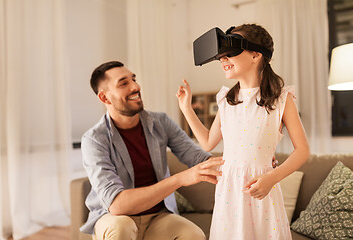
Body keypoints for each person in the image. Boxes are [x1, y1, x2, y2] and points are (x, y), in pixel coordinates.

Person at [176, 24, 310, 240]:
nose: (222, 60)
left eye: (230, 55)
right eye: (221, 56)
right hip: (229, 192)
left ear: (256, 55)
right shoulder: (226, 100)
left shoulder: (281, 100)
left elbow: (302, 151)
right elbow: (208, 143)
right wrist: (186, 109)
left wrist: (271, 179)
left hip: (261, 189)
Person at [80, 60, 225, 240]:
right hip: (114, 218)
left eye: (134, 79)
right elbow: (117, 205)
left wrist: (252, 161)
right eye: (124, 83)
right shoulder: (94, 140)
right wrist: (180, 179)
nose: (135, 86)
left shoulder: (160, 122)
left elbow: (199, 158)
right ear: (105, 98)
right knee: (121, 228)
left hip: (159, 217)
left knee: (193, 235)